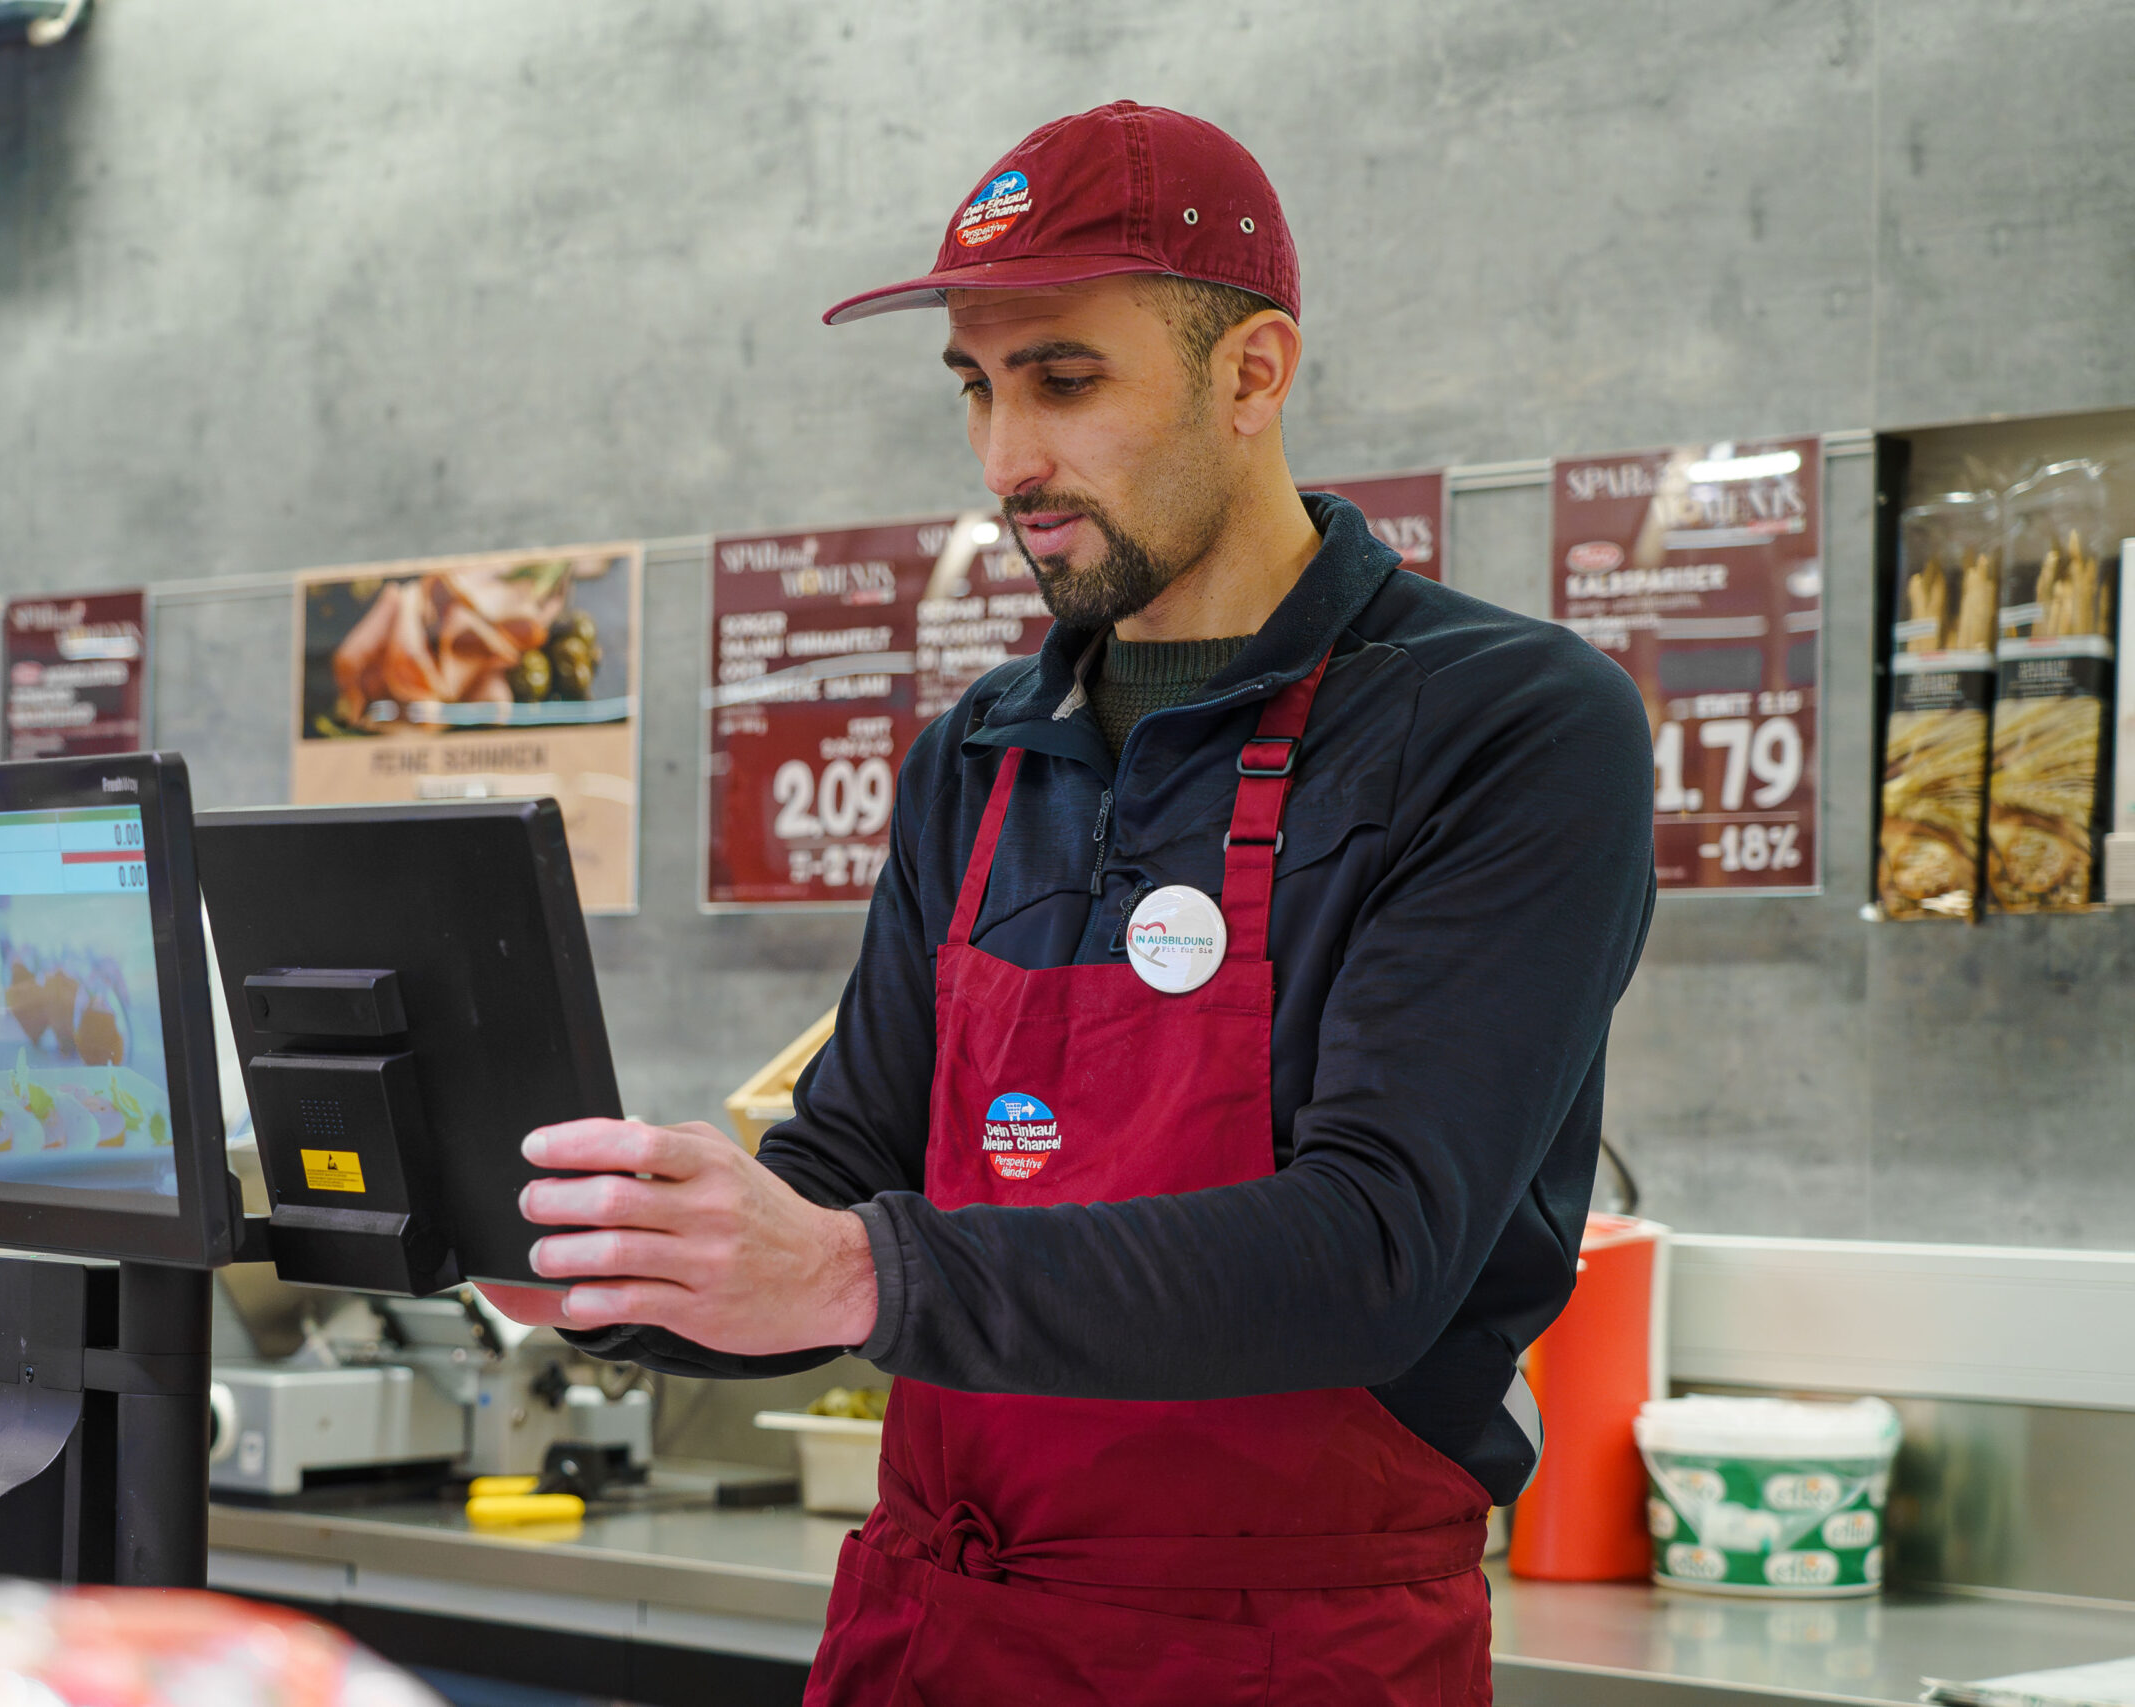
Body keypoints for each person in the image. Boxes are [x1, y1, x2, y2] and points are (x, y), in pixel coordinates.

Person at [481, 100, 1656, 1704]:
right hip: (931, 1633)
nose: (1003, 462)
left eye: (1063, 380)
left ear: (1254, 373)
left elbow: (1375, 1248)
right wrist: (614, 1280)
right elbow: (848, 1171)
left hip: (1273, 1655)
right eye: (974, 388)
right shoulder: (982, 754)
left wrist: (849, 1270)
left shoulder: (1503, 722)